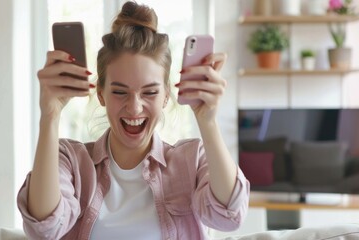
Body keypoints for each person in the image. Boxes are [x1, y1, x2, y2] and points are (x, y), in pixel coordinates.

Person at [17, 2, 250, 239]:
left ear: (166, 96)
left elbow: (228, 216)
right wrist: (49, 116)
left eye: (149, 92)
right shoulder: (71, 160)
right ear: (101, 94)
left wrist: (208, 122)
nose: (134, 107)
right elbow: (43, 228)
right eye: (119, 92)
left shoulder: (191, 160)